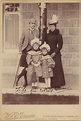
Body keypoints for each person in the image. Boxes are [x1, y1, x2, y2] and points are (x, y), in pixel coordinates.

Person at [15, 18, 39, 87]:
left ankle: (19, 77)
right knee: (25, 67)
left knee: (29, 67)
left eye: (34, 23)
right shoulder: (25, 31)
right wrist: (20, 50)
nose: (33, 25)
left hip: (32, 52)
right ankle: (25, 81)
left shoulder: (37, 32)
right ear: (29, 24)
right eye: (31, 23)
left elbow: (39, 41)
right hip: (25, 51)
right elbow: (20, 42)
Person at [46, 14, 65, 90]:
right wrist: (47, 52)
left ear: (55, 26)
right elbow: (45, 43)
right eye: (50, 26)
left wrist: (55, 53)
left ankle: (58, 84)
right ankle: (51, 83)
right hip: (49, 53)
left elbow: (60, 45)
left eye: (53, 26)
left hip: (56, 54)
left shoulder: (58, 35)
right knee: (50, 69)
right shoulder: (47, 35)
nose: (51, 27)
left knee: (57, 68)